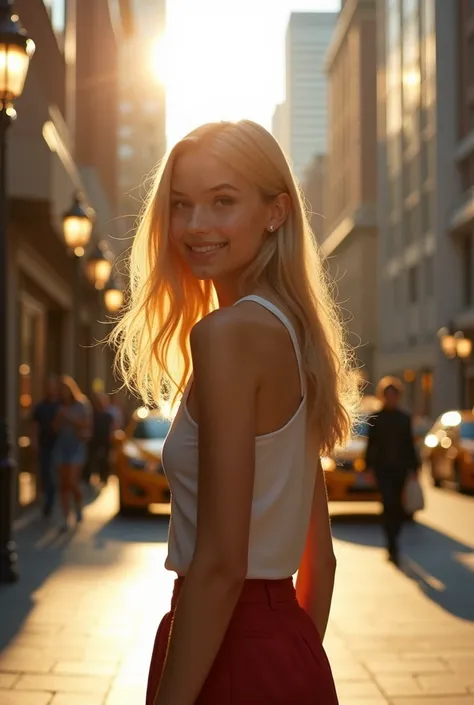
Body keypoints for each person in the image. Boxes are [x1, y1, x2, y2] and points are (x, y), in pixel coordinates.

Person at [112, 120, 360, 705]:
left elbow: (221, 564)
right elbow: (317, 558)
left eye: (222, 202)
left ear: (276, 211)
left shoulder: (228, 335)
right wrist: (285, 659)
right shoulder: (293, 333)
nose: (196, 226)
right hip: (280, 647)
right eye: (181, 205)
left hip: (221, 646)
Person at [365, 376, 420, 565]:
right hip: (383, 470)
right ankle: (392, 545)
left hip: (400, 470)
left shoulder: (404, 419)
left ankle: (394, 538)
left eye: (393, 395)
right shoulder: (375, 418)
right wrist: (369, 468)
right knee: (388, 504)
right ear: (382, 396)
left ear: (398, 397)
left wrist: (414, 469)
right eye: (387, 395)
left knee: (397, 507)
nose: (390, 399)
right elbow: (370, 446)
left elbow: (409, 446)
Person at [53, 375, 92, 532]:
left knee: (72, 481)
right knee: (63, 485)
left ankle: (78, 504)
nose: (63, 394)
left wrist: (68, 417)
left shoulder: (81, 405)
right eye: (60, 391)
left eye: (65, 390)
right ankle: (65, 518)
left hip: (76, 447)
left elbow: (86, 424)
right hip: (61, 447)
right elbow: (54, 428)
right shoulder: (59, 407)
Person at [30, 375, 60, 517]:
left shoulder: (61, 405)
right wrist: (34, 442)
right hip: (45, 445)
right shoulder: (40, 407)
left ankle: (52, 500)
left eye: (53, 386)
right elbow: (34, 426)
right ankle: (48, 501)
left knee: (55, 474)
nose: (50, 389)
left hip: (60, 445)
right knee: (46, 473)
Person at [84, 392, 114, 486]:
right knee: (91, 459)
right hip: (93, 441)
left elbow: (112, 429)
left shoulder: (108, 416)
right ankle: (88, 477)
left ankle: (103, 478)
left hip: (104, 442)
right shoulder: (92, 415)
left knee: (104, 460)